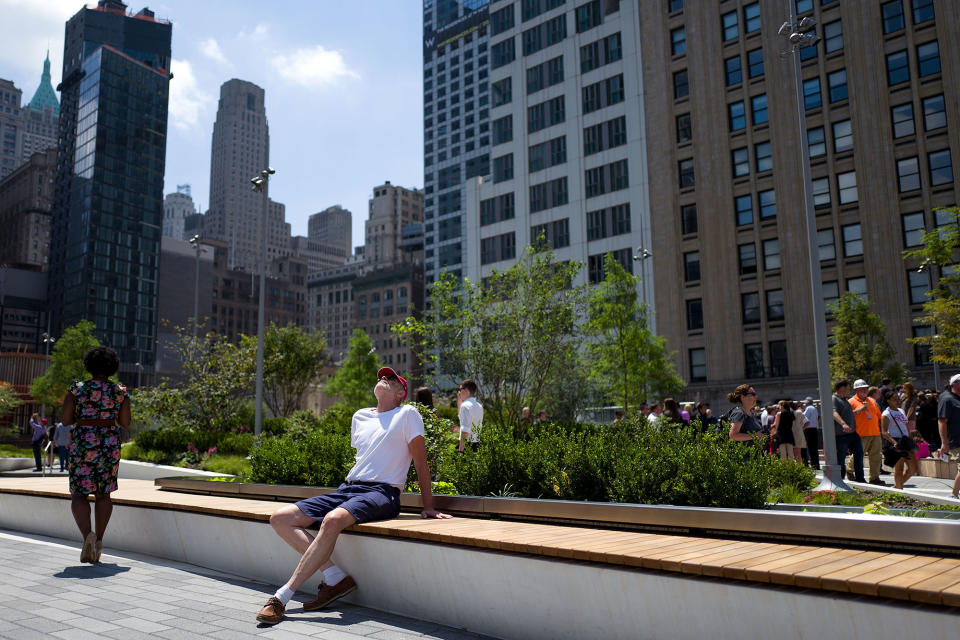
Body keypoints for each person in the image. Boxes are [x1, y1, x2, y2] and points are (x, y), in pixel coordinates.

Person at [257, 367, 452, 625]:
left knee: (332, 519)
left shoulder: (407, 414)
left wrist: (428, 506)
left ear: (400, 394)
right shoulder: (360, 416)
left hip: (383, 492)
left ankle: (282, 597)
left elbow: (421, 462)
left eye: (391, 379)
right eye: (382, 376)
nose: (384, 379)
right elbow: (365, 459)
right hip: (348, 489)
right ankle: (335, 576)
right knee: (280, 518)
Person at [61, 346, 131, 563]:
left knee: (79, 495)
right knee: (104, 495)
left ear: (89, 365)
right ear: (112, 366)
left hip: (83, 441)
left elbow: (65, 420)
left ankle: (87, 537)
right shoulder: (120, 391)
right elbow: (125, 423)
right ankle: (99, 540)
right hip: (109, 443)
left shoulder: (77, 389)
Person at [848, 379, 884, 485]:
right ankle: (850, 470)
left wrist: (883, 430)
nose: (864, 391)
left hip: (875, 433)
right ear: (856, 390)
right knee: (858, 454)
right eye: (861, 389)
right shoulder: (851, 402)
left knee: (876, 456)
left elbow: (879, 416)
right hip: (860, 433)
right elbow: (847, 416)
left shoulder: (872, 401)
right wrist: (859, 411)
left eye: (865, 389)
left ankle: (874, 478)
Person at [881, 390, 918, 490]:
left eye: (898, 399)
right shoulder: (886, 413)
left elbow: (904, 426)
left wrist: (910, 437)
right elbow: (884, 432)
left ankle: (898, 486)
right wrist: (894, 443)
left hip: (905, 441)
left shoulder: (901, 411)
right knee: (899, 468)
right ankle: (899, 489)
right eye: (894, 399)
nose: (898, 401)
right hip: (896, 442)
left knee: (913, 468)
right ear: (888, 401)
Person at [832, 380, 865, 483]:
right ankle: (840, 480)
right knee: (840, 458)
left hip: (853, 434)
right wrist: (843, 424)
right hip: (841, 435)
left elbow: (848, 413)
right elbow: (834, 413)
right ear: (842, 388)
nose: (849, 391)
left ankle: (860, 478)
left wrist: (859, 411)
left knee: (859, 455)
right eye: (848, 388)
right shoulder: (834, 399)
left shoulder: (845, 400)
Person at [936, 374, 960, 500]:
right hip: (956, 440)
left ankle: (954, 494)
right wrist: (944, 443)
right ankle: (953, 495)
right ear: (955, 384)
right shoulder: (946, 399)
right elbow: (942, 421)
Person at [457, 379, 483, 452]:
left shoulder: (465, 406)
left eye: (460, 389)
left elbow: (465, 430)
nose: (459, 392)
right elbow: (461, 418)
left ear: (466, 391)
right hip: (476, 444)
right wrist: (459, 402)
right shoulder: (479, 406)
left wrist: (460, 451)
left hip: (466, 445)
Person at [801, 397, 821, 470]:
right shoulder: (814, 408)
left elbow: (803, 417)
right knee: (814, 448)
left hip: (809, 429)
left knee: (811, 447)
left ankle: (814, 465)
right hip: (814, 429)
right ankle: (815, 464)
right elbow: (819, 417)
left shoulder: (808, 408)